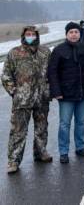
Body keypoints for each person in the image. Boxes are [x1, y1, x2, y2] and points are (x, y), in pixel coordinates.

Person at [1, 26, 52, 174]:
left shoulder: (45, 52)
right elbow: (6, 76)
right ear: (23, 36)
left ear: (37, 36)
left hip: (42, 98)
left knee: (41, 128)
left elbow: (52, 73)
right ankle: (13, 161)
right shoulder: (14, 53)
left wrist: (49, 90)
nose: (31, 36)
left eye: (33, 34)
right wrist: (14, 92)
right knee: (18, 131)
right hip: (22, 100)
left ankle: (40, 152)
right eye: (28, 34)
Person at [48, 22, 84, 163]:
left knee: (80, 122)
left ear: (80, 34)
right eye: (71, 32)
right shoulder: (59, 50)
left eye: (76, 32)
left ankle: (80, 147)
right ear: (66, 34)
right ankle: (63, 152)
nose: (74, 34)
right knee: (64, 124)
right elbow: (52, 72)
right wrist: (56, 91)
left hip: (83, 93)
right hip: (65, 95)